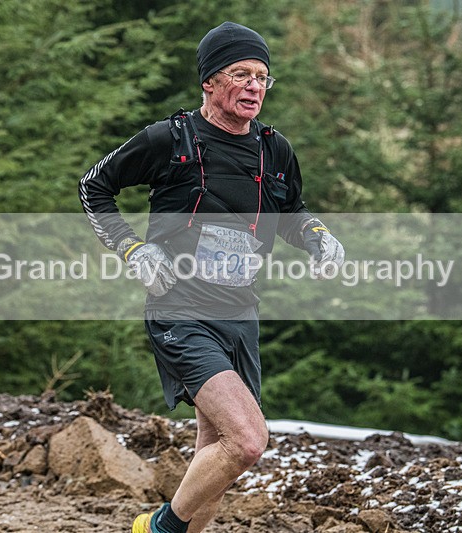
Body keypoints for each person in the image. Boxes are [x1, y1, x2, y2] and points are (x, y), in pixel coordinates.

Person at [78, 21, 345, 533]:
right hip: (181, 308)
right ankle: (157, 528)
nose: (254, 86)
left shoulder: (275, 149)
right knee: (247, 441)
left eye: (263, 77)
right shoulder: (170, 139)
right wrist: (131, 247)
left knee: (216, 452)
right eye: (241, 74)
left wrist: (316, 234)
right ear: (209, 82)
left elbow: (291, 210)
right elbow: (95, 187)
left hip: (240, 315)